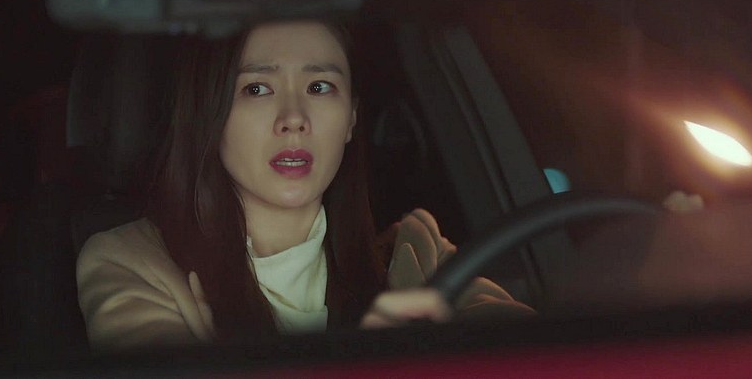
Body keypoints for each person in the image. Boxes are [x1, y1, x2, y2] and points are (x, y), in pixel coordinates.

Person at [76, 21, 532, 351]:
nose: (293, 118)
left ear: (351, 118)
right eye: (257, 89)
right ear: (211, 116)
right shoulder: (134, 264)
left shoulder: (419, 254)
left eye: (319, 87)